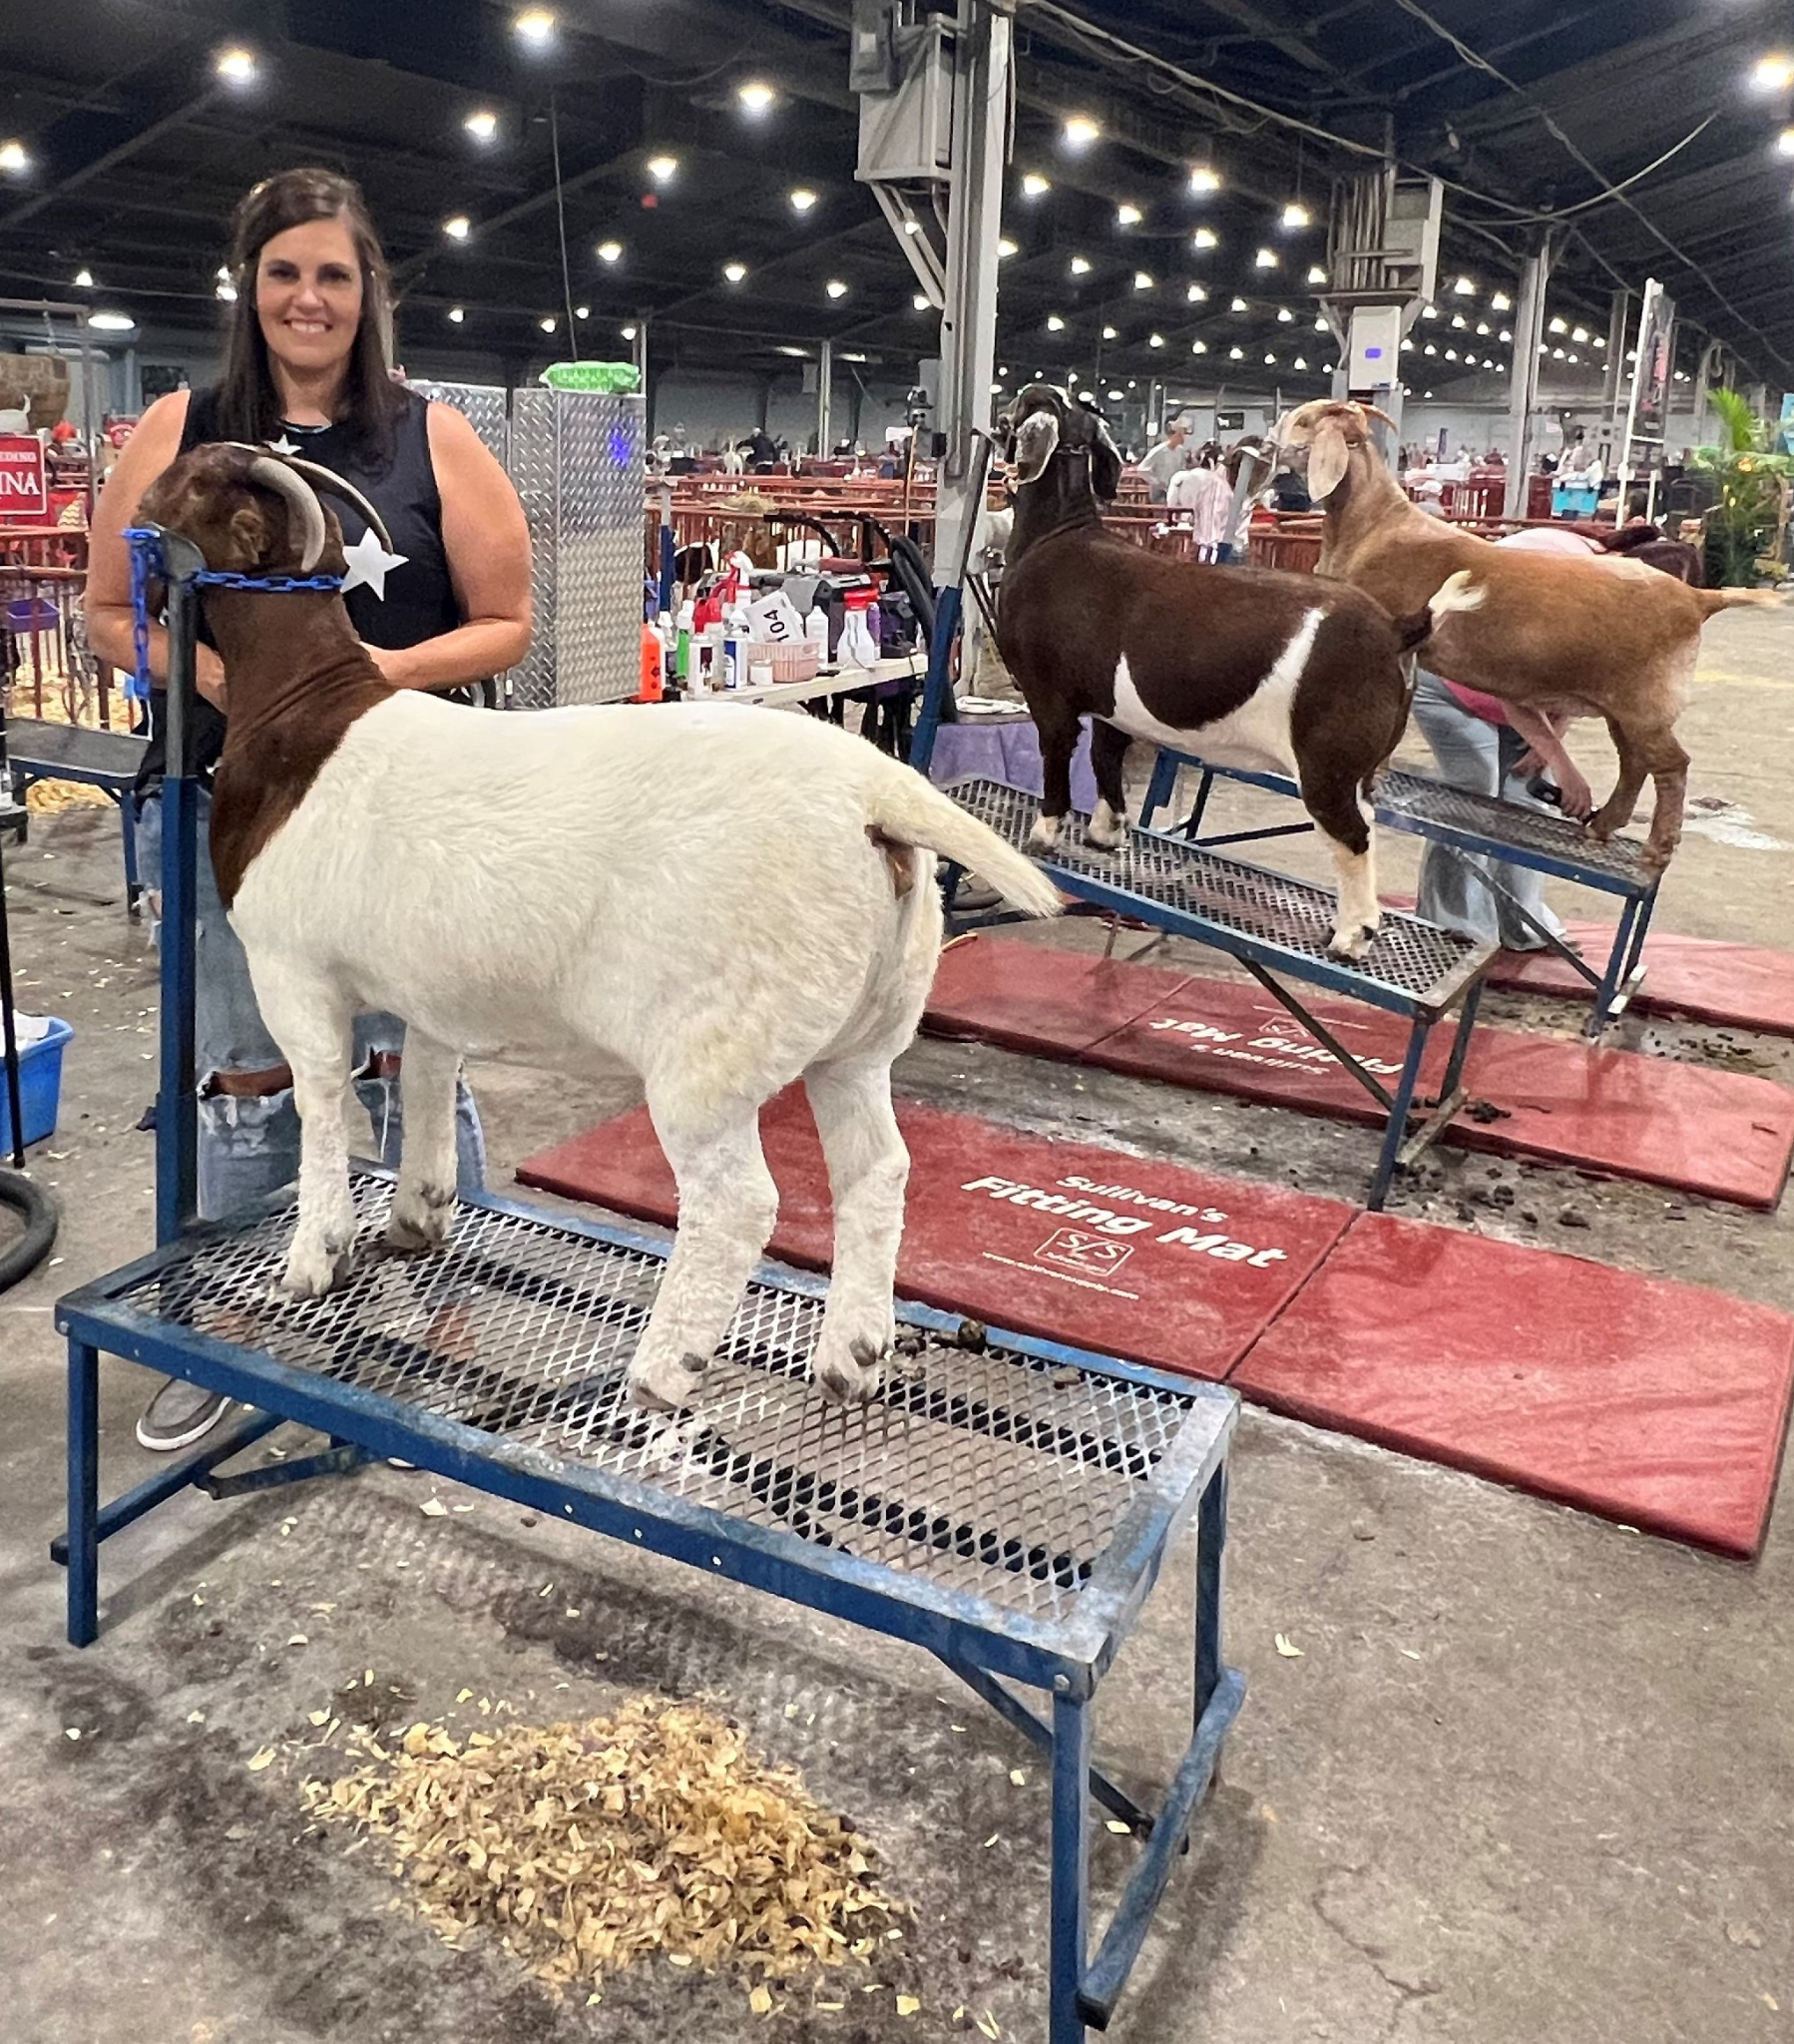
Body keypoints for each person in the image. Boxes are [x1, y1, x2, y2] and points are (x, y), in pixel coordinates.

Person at [86, 167, 532, 1451]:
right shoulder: (178, 426)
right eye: (285, 271)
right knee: (247, 1073)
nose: (308, 297)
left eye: (333, 274)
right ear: (252, 287)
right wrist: (226, 678)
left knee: (414, 1060)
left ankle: (445, 1313)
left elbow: (507, 620)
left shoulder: (429, 437)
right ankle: (237, 1332)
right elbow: (111, 611)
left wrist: (361, 681)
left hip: (403, 817)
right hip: (229, 807)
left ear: (367, 292)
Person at [1410, 526, 1602, 950]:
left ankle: (1521, 921)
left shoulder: (1608, 612)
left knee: (1530, 799)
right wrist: (1567, 768)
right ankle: (1452, 927)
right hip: (1449, 682)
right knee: (1473, 793)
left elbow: (1579, 685)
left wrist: (1550, 742)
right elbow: (1513, 695)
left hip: (1514, 691)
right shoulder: (1548, 599)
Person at [1134, 417, 1193, 502]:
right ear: (1175, 435)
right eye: (1182, 434)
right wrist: (1157, 483)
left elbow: (1182, 469)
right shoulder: (1159, 451)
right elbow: (1142, 469)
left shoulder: (1181, 451)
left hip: (1175, 490)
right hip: (1160, 493)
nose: (1184, 437)